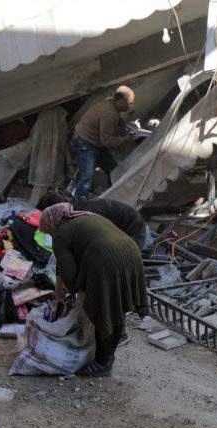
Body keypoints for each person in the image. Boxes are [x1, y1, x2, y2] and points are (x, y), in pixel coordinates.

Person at [38, 202, 147, 377]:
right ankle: (107, 358)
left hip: (107, 259)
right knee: (116, 307)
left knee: (101, 309)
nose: (50, 235)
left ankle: (101, 362)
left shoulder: (60, 233)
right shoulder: (86, 216)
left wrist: (72, 293)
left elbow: (70, 274)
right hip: (131, 254)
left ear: (52, 223)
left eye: (47, 231)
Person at [69, 85, 138, 199]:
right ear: (121, 102)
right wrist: (126, 138)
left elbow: (116, 118)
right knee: (86, 177)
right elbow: (106, 141)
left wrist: (125, 124)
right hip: (84, 143)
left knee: (112, 168)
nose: (132, 105)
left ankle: (114, 197)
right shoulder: (109, 114)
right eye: (131, 103)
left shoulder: (110, 101)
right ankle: (79, 206)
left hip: (94, 141)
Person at [38, 189, 149, 253]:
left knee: (121, 261)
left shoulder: (84, 215)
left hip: (133, 228)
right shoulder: (74, 208)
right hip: (124, 225)